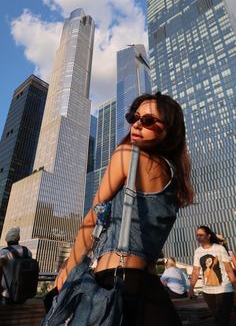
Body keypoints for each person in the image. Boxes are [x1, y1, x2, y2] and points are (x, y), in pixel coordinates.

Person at [55, 92, 194, 326]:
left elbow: (94, 214)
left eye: (148, 120)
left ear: (169, 130)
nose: (137, 124)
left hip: (114, 284)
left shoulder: (128, 154)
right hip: (151, 291)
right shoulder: (174, 179)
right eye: (134, 117)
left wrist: (68, 268)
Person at [189, 226, 236, 326]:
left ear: (209, 236)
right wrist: (191, 288)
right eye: (197, 235)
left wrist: (235, 286)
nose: (198, 237)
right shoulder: (197, 251)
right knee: (217, 318)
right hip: (207, 291)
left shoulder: (219, 248)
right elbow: (195, 271)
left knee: (222, 319)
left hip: (224, 289)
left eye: (201, 235)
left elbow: (229, 270)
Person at [0, 227, 32, 304]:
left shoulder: (4, 252)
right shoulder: (27, 252)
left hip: (7, 293)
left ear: (6, 239)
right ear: (19, 238)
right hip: (23, 293)